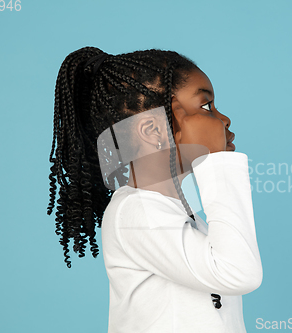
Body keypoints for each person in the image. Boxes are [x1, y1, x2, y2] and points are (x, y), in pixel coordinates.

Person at [47, 46, 263, 332]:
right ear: (153, 130)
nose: (223, 119)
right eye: (206, 106)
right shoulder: (137, 212)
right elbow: (238, 273)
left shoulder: (183, 214)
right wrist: (217, 160)